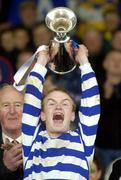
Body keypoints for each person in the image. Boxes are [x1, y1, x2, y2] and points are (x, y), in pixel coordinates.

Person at [22, 41, 100, 179]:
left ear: (72, 116)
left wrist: (84, 61)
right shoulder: (32, 141)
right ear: (43, 115)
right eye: (51, 104)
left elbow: (92, 103)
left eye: (65, 104)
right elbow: (31, 100)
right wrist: (41, 60)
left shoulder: (83, 141)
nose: (58, 107)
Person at [0, 84, 23, 180]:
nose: (12, 111)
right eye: (6, 105)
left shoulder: (42, 140)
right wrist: (5, 168)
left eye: (18, 105)